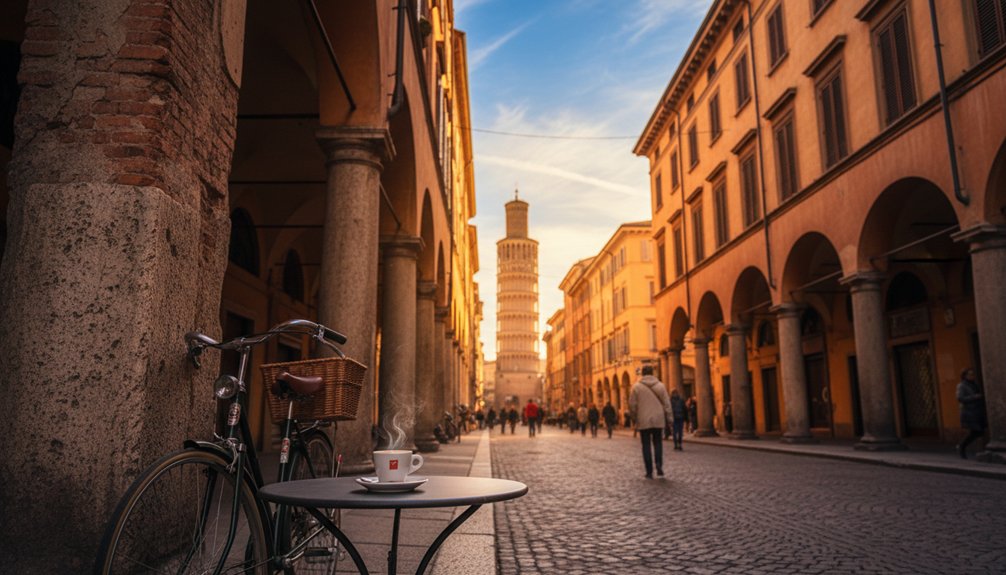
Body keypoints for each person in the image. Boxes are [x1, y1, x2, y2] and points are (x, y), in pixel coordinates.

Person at [629, 365, 672, 479]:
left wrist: (634, 419)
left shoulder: (636, 387)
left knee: (646, 445)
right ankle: (659, 464)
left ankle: (649, 471)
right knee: (658, 443)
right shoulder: (661, 386)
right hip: (658, 418)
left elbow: (632, 405)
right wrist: (670, 419)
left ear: (642, 373)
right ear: (652, 373)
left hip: (643, 419)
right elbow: (667, 404)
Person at [956, 367, 987, 459]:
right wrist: (975, 397)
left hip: (978, 411)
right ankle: (962, 446)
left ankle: (964, 446)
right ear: (965, 376)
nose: (972, 376)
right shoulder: (962, 386)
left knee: (979, 431)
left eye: (973, 374)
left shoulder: (975, 384)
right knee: (977, 431)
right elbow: (960, 398)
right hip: (969, 412)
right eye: (970, 374)